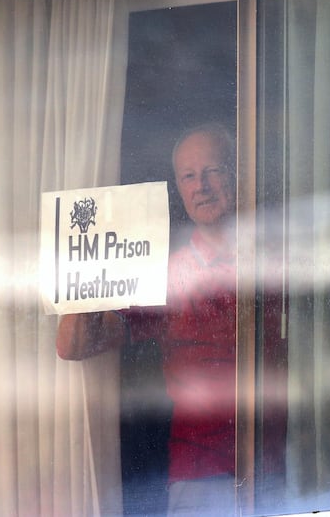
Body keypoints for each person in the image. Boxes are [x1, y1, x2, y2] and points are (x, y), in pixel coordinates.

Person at [57, 122, 238, 516]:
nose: (201, 185)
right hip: (201, 475)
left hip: (280, 465)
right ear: (179, 188)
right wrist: (87, 261)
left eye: (213, 170)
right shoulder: (166, 275)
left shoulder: (276, 261)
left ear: (238, 172)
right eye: (189, 176)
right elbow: (73, 345)